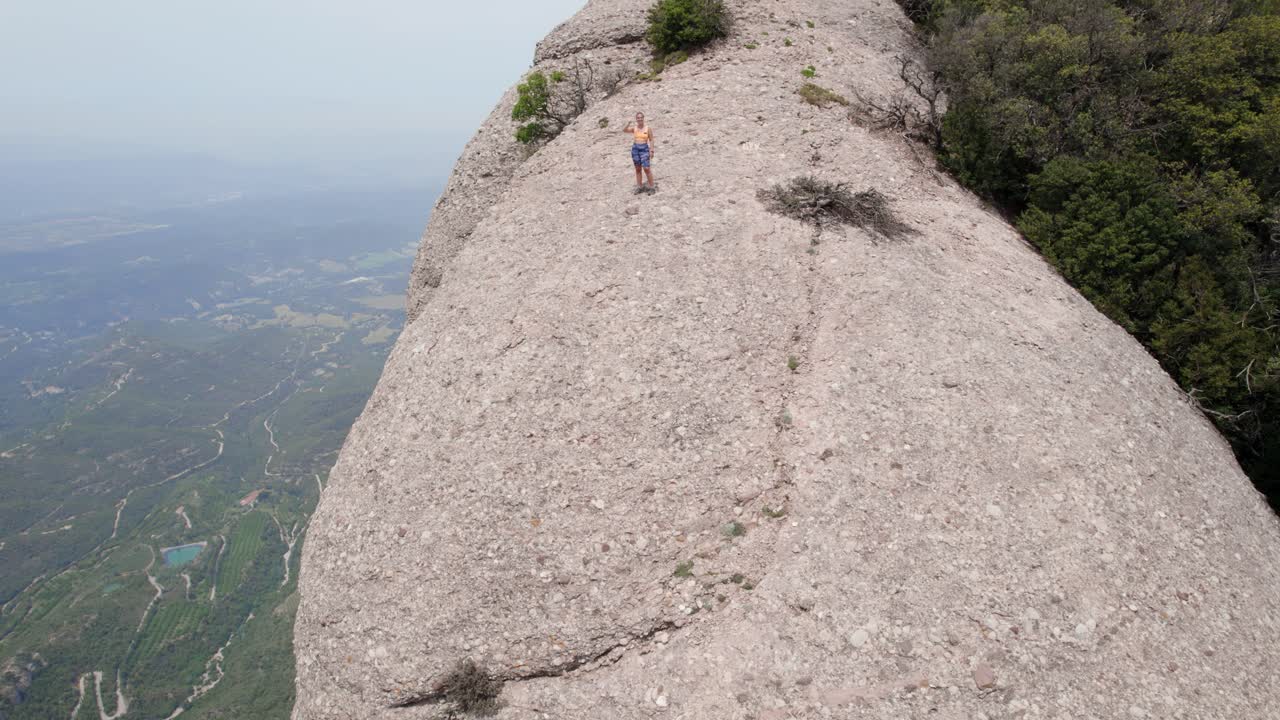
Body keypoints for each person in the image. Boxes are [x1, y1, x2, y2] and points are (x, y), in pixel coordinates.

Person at [623, 112, 656, 194]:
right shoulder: (634, 128)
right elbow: (624, 130)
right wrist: (627, 124)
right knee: (638, 169)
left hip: (644, 149)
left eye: (641, 117)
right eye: (638, 118)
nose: (639, 119)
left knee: (646, 168)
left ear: (643, 118)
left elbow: (651, 139)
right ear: (636, 119)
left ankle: (652, 187)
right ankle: (639, 187)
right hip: (635, 149)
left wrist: (651, 150)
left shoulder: (648, 128)